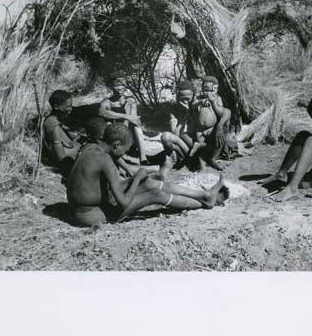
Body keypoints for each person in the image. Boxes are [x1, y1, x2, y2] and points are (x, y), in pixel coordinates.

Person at [67, 123, 230, 226]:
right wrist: (137, 177)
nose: (124, 154)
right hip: (90, 215)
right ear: (116, 145)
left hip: (86, 207)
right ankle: (205, 203)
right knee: (154, 194)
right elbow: (123, 203)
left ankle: (204, 195)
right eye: (125, 150)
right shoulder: (105, 160)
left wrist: (138, 178)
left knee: (148, 182)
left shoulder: (91, 148)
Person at [99, 77, 148, 164]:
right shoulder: (107, 102)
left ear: (125, 87)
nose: (119, 88)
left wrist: (124, 124)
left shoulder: (130, 100)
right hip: (113, 130)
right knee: (108, 123)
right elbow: (102, 112)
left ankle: (143, 157)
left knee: (137, 128)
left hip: (128, 131)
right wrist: (125, 116)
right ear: (111, 87)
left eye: (121, 85)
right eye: (116, 85)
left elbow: (133, 119)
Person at [186, 77, 231, 170]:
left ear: (215, 89)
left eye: (210, 90)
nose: (207, 93)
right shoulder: (198, 98)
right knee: (202, 151)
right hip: (199, 129)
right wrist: (200, 102)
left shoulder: (217, 98)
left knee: (219, 142)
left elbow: (221, 113)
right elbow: (193, 107)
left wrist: (213, 103)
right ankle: (202, 168)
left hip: (211, 128)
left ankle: (212, 159)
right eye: (205, 90)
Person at [42, 90, 83, 176]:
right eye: (68, 106)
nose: (70, 109)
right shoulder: (54, 125)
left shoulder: (53, 120)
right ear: (56, 106)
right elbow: (59, 154)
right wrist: (68, 170)